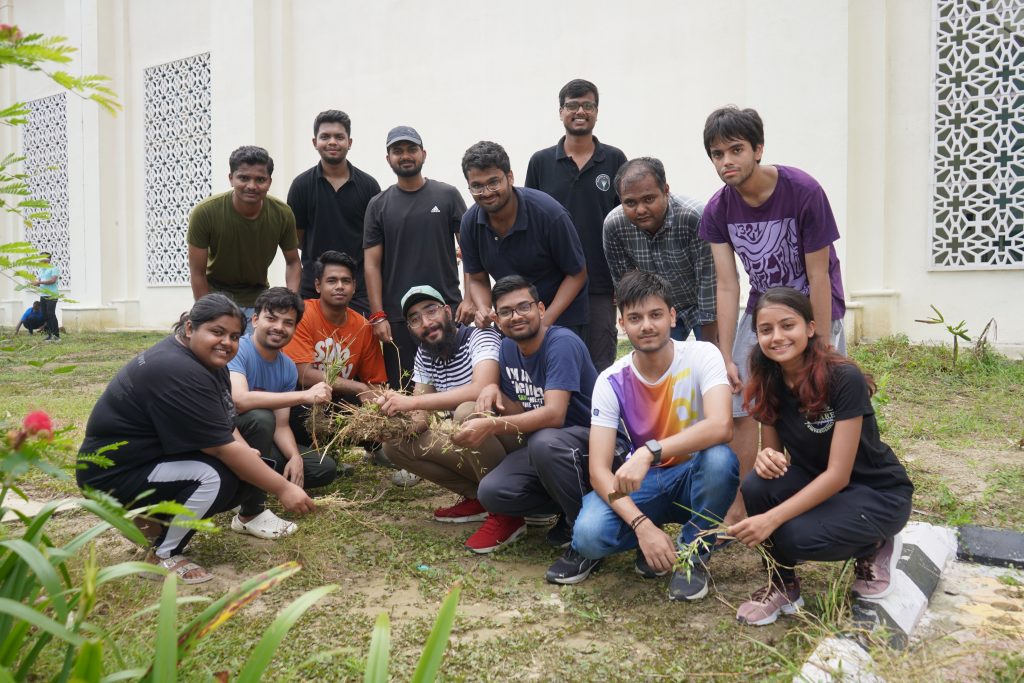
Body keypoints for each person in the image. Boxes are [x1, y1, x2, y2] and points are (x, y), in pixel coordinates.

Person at [76, 294, 315, 584]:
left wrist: (246, 451)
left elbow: (225, 424)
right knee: (218, 478)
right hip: (109, 474)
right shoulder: (176, 368)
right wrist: (283, 489)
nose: (226, 342)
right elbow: (219, 447)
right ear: (190, 328)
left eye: (234, 336)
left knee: (246, 466)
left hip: (146, 459)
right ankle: (164, 553)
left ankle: (149, 523)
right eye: (217, 332)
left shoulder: (205, 362)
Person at [728, 287, 912, 625]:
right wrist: (767, 459)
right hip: (817, 481)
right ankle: (783, 584)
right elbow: (774, 454)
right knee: (756, 486)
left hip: (875, 492)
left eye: (788, 325)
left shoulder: (843, 378)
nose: (777, 337)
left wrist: (771, 519)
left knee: (793, 536)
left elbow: (839, 474)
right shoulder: (768, 377)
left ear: (810, 328)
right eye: (766, 330)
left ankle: (874, 542)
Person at [698, 106, 847, 525]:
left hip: (814, 309)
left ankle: (829, 491)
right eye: (717, 154)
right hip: (762, 311)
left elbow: (818, 273)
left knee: (821, 397)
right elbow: (728, 285)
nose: (727, 162)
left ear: (758, 149)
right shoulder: (718, 210)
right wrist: (725, 354)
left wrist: (819, 342)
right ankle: (747, 498)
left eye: (736, 150)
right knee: (738, 400)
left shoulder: (803, 190)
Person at [571, 271, 737, 597]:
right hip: (646, 484)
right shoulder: (611, 379)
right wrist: (642, 526)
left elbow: (722, 426)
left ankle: (692, 554)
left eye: (655, 314)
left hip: (694, 475)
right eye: (635, 317)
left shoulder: (702, 355)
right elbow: (599, 472)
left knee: (719, 460)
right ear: (622, 324)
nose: (646, 325)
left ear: (672, 316)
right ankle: (653, 537)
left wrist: (649, 451)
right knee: (588, 535)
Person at [460, 276, 604, 582]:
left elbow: (553, 414)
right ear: (496, 320)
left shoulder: (562, 343)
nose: (517, 316)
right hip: (551, 449)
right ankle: (567, 511)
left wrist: (492, 424)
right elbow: (522, 411)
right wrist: (496, 395)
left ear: (540, 308)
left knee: (543, 442)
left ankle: (588, 538)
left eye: (524, 307)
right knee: (492, 492)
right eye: (507, 312)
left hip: (594, 445)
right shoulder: (508, 350)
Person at [376, 285, 507, 532]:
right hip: (466, 442)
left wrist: (412, 402)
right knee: (393, 445)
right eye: (415, 319)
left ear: (448, 311)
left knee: (467, 412)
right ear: (410, 329)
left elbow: (482, 388)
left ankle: (507, 505)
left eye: (431, 311)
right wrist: (392, 425)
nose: (426, 322)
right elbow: (420, 418)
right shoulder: (425, 354)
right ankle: (479, 499)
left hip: (503, 441)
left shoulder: (479, 335)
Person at [280, 251, 415, 486]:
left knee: (377, 402)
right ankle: (308, 452)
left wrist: (378, 408)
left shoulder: (362, 326)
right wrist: (359, 386)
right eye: (332, 281)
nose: (339, 286)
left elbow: (375, 381)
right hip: (299, 398)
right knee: (309, 407)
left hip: (338, 400)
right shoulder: (302, 315)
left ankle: (380, 447)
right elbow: (302, 373)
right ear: (318, 285)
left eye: (346, 281)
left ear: (354, 287)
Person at [525, 79, 626, 371]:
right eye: (572, 105)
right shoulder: (540, 162)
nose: (580, 111)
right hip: (551, 284)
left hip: (600, 283)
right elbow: (530, 220)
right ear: (560, 112)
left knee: (599, 365)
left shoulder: (615, 159)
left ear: (596, 112)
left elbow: (625, 223)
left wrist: (621, 278)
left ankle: (598, 418)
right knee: (553, 361)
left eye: (588, 105)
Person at [228, 287, 339, 540]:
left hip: (261, 440)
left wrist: (294, 457)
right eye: (271, 318)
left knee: (322, 467)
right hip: (228, 439)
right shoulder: (239, 350)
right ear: (255, 320)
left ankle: (245, 485)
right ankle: (250, 513)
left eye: (288, 322)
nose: (279, 327)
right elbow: (241, 401)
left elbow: (281, 425)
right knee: (260, 417)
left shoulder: (287, 367)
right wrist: (304, 395)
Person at [364, 126, 469, 390]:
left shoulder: (447, 195)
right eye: (397, 151)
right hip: (400, 320)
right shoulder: (378, 204)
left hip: (447, 309)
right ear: (388, 159)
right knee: (408, 395)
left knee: (457, 389)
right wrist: (378, 315)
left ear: (423, 154)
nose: (405, 155)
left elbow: (470, 251)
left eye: (412, 149)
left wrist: (469, 299)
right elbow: (372, 265)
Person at [459, 141, 589, 338]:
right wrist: (484, 308)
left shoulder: (549, 214)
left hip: (562, 318)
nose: (486, 193)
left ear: (510, 177)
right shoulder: (470, 222)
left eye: (493, 182)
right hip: (512, 320)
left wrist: (544, 323)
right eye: (477, 186)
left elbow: (577, 274)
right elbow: (477, 278)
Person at [604, 157, 717, 342]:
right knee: (662, 368)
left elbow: (710, 284)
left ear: (666, 190)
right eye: (630, 203)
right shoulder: (614, 226)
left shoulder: (695, 217)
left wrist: (712, 346)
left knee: (716, 361)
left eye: (649, 199)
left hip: (703, 301)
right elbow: (626, 287)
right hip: (657, 307)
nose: (640, 210)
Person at [187, 146, 301, 323]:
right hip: (215, 295)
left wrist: (291, 302)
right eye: (243, 178)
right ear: (231, 178)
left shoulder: (282, 213)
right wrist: (206, 313)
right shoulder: (205, 212)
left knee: (259, 347)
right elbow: (197, 272)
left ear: (269, 182)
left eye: (260, 179)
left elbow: (293, 262)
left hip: (258, 296)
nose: (252, 186)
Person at [288, 110, 381, 311]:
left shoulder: (369, 186)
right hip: (313, 288)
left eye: (339, 137)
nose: (332, 142)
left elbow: (374, 241)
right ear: (315, 142)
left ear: (350, 142)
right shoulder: (301, 186)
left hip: (358, 290)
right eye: (325, 137)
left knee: (357, 343)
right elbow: (296, 238)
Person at [33, 252, 61, 341]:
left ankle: (56, 336)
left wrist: (39, 282)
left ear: (47, 259)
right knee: (45, 315)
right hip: (43, 295)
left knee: (51, 314)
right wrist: (35, 283)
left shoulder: (54, 268)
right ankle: (50, 335)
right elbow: (39, 281)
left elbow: (53, 280)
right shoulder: (41, 269)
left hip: (52, 295)